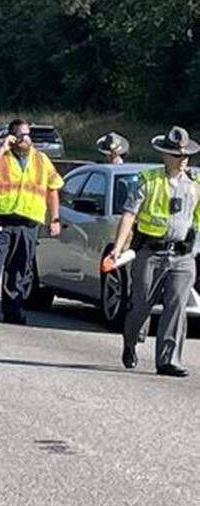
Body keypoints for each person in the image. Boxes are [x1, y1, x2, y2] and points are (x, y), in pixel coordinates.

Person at [109, 126, 199, 377]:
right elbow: (129, 215)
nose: (183, 160)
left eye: (186, 156)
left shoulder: (195, 184)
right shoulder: (148, 180)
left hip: (182, 255)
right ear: (165, 155)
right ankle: (130, 341)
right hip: (150, 253)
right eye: (177, 155)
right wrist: (118, 247)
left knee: (177, 305)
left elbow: (198, 219)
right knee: (141, 305)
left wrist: (194, 246)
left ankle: (168, 360)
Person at [0, 119, 64, 324]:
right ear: (11, 137)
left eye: (27, 135)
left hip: (28, 223)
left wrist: (54, 219)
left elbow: (53, 189)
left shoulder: (41, 160)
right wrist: (1, 149)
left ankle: (13, 312)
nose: (24, 139)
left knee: (20, 270)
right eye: (20, 135)